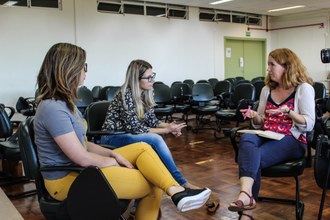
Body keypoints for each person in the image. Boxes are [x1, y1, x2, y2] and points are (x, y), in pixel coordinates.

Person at [33, 43, 211, 220]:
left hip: (81, 171)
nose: (85, 72)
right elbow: (81, 157)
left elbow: (83, 144)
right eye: (83, 66)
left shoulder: (66, 104)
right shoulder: (53, 109)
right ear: (68, 69)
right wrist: (110, 162)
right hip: (66, 181)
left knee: (143, 147)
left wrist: (112, 154)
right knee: (153, 181)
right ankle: (177, 191)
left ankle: (177, 191)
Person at [100, 59, 219, 212]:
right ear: (136, 78)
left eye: (153, 76)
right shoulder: (125, 95)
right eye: (148, 77)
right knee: (155, 139)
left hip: (129, 135)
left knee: (154, 144)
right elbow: (137, 129)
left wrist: (169, 126)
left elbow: (152, 121)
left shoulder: (146, 93)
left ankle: (140, 203)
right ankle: (182, 184)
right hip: (112, 138)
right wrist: (166, 131)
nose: (153, 80)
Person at [227, 48, 315, 220]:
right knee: (247, 137)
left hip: (292, 139)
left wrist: (288, 112)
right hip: (267, 134)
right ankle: (246, 195)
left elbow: (309, 124)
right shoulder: (267, 89)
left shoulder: (303, 89)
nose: (268, 69)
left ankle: (246, 212)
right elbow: (261, 120)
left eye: (272, 65)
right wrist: (255, 117)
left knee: (253, 156)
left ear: (286, 67)